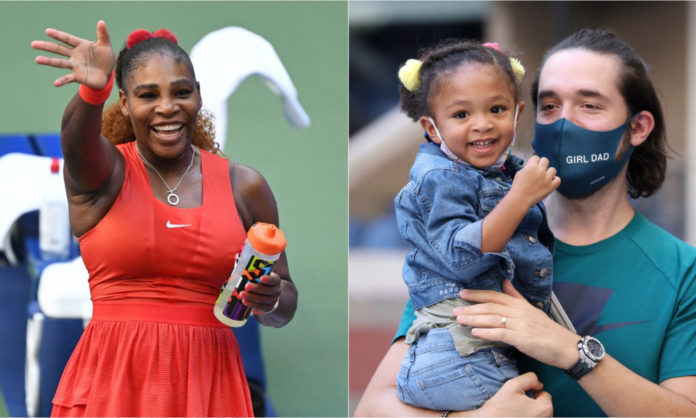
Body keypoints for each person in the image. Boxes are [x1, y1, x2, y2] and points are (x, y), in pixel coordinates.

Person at [354, 28, 696, 417]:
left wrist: (569, 351)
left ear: (637, 127)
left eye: (589, 105)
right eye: (549, 107)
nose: (563, 124)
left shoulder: (683, 272)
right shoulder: (472, 247)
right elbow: (371, 410)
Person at [31, 20, 298, 417]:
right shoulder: (104, 173)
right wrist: (93, 90)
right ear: (124, 102)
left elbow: (284, 304)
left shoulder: (246, 186)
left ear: (198, 96)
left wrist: (270, 299)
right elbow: (75, 143)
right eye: (147, 94)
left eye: (181, 92)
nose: (167, 106)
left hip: (209, 390)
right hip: (112, 384)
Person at [392, 40, 560, 412]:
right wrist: (520, 198)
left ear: (517, 114)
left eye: (496, 109)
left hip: (472, 350)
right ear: (432, 129)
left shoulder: (499, 170)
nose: (482, 124)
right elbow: (461, 257)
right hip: (460, 355)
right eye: (461, 115)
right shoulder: (440, 177)